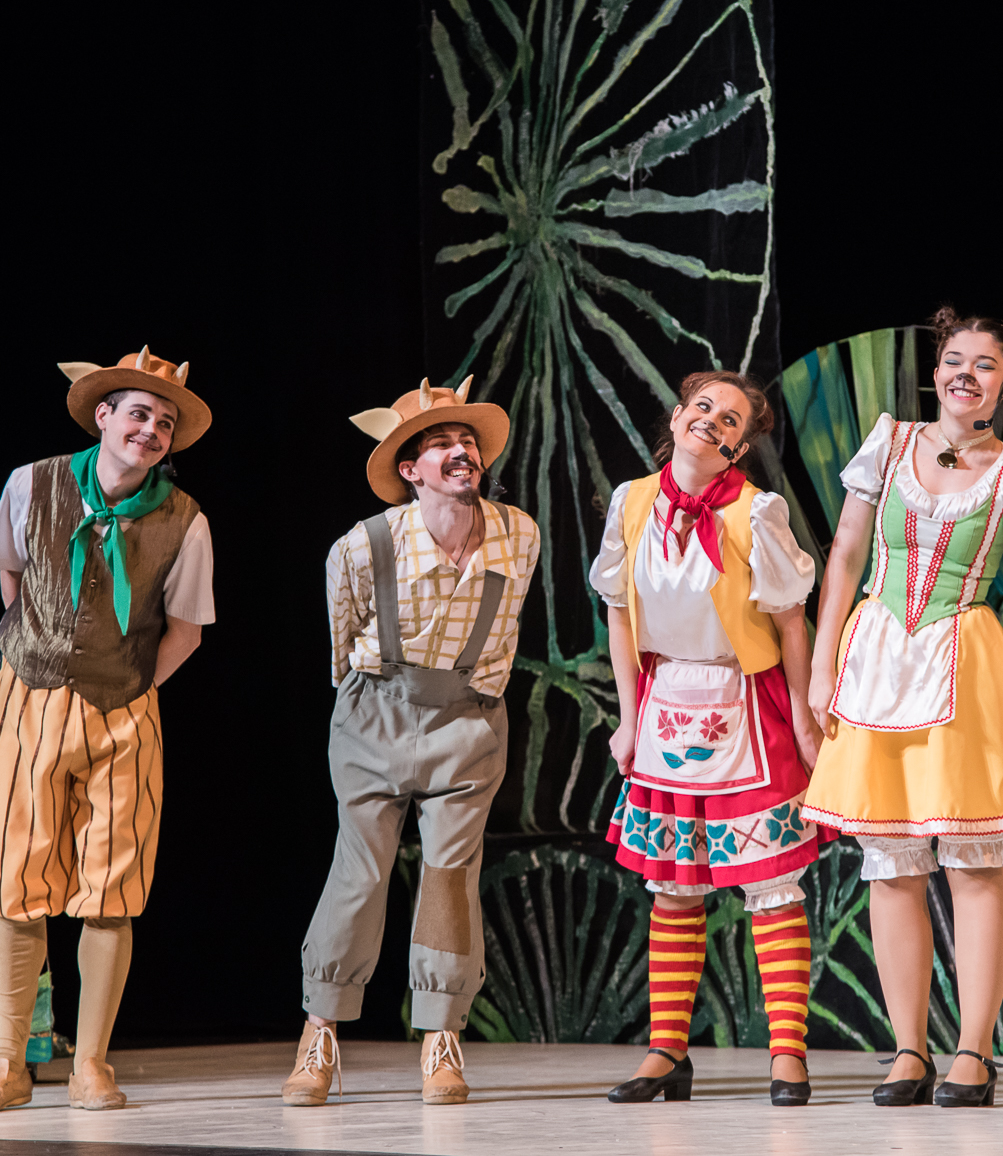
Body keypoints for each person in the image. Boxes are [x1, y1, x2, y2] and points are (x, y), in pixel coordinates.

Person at [802, 308, 1003, 1108]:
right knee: (890, 861)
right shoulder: (889, 443)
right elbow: (846, 554)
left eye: (984, 366)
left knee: (973, 856)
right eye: (954, 360)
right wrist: (822, 663)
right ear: (937, 371)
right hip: (877, 656)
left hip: (966, 661)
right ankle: (907, 1050)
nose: (964, 375)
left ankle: (973, 1052)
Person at [0, 345, 215, 1114]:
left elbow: (186, 630)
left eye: (164, 423)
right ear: (103, 415)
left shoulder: (184, 520)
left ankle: (92, 1065)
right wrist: (41, 654)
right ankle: (8, 1063)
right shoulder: (30, 484)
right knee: (20, 882)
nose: (151, 431)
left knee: (112, 887)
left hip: (125, 711)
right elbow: (9, 575)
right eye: (139, 414)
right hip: (30, 699)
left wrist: (129, 685)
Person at [284, 376, 540, 1107]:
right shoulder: (363, 545)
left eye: (468, 442)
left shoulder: (519, 533)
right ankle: (319, 1032)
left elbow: (506, 627)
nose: (462, 452)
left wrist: (472, 698)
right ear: (410, 470)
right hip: (376, 712)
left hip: (468, 719)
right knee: (360, 871)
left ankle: (441, 1036)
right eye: (441, 444)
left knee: (450, 874)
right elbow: (342, 643)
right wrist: (376, 704)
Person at [591, 370, 825, 1107]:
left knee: (769, 885)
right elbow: (620, 614)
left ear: (740, 447)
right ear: (675, 416)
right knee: (674, 887)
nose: (712, 421)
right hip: (665, 703)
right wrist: (629, 717)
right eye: (703, 407)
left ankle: (788, 1054)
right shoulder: (632, 502)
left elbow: (791, 624)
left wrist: (805, 718)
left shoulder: (757, 513)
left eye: (731, 420)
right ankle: (667, 1051)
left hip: (745, 704)